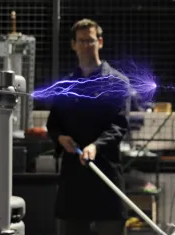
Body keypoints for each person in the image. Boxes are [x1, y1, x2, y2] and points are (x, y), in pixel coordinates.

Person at [47, 19, 130, 235]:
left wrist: (96, 146)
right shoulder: (65, 85)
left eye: (91, 40)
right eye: (81, 41)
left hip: (105, 172)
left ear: (100, 42)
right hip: (74, 179)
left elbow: (119, 125)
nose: (86, 45)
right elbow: (53, 123)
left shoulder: (116, 82)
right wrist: (59, 138)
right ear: (73, 45)